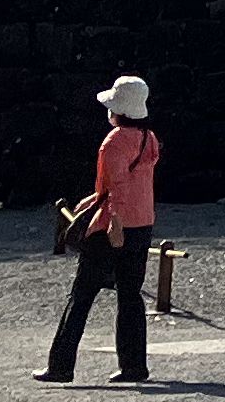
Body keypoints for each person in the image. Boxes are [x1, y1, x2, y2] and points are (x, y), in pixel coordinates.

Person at [40, 73, 161, 384]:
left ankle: (61, 365)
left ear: (117, 111)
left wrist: (114, 224)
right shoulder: (148, 138)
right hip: (143, 221)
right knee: (130, 296)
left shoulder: (114, 142)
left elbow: (116, 188)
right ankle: (134, 365)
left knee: (81, 296)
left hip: (112, 225)